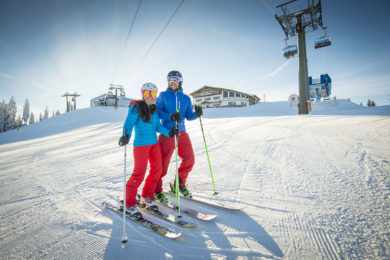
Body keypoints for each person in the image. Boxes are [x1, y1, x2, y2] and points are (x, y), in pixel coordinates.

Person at [118, 83, 178, 218]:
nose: (150, 96)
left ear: (156, 95)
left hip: (154, 144)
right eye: (147, 93)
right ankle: (129, 203)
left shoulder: (155, 110)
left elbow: (158, 127)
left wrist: (170, 132)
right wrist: (125, 134)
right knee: (139, 173)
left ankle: (147, 195)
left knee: (157, 170)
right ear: (142, 94)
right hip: (141, 145)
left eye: (152, 93)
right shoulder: (136, 107)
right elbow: (129, 123)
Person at [154, 70, 203, 202]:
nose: (172, 82)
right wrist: (169, 116)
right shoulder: (163, 95)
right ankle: (156, 190)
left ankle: (179, 184)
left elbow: (188, 116)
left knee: (189, 159)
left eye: (175, 79)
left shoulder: (185, 98)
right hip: (167, 132)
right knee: (162, 164)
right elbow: (157, 111)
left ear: (180, 81)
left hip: (181, 132)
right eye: (170, 80)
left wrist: (196, 114)